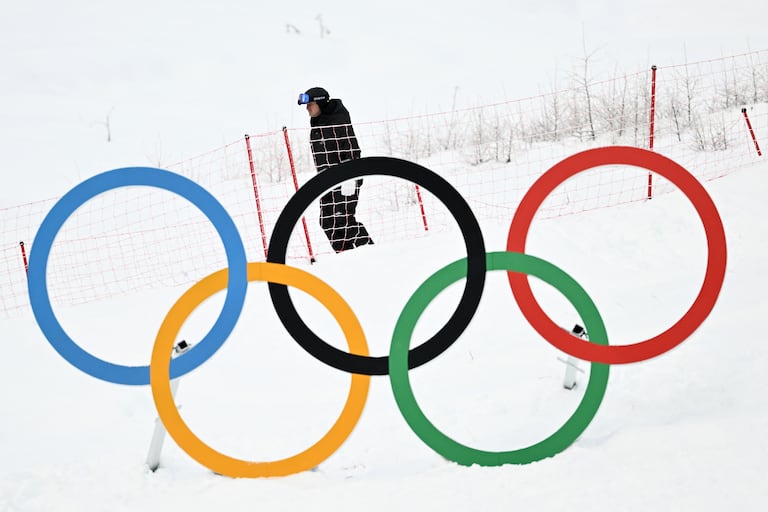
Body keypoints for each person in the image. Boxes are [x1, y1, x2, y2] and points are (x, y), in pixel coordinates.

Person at [298, 87, 374, 253]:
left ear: (320, 102)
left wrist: (349, 177)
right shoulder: (317, 126)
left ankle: (371, 253)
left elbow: (352, 148)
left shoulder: (337, 120)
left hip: (345, 178)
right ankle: (346, 256)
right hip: (327, 181)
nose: (307, 108)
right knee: (327, 221)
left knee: (344, 220)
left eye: (310, 104)